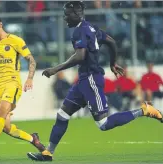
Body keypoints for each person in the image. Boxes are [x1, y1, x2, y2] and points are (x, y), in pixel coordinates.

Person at [27, 1, 163, 161]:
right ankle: (48, 152)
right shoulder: (90, 27)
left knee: (103, 124)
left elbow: (80, 55)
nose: (65, 18)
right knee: (62, 114)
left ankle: (144, 110)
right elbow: (111, 41)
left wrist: (56, 69)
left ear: (77, 14)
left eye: (67, 14)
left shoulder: (80, 31)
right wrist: (113, 62)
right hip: (83, 80)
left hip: (91, 79)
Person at [0, 15, 45, 156]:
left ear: (0, 24)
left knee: (2, 110)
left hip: (12, 83)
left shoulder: (15, 40)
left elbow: (32, 61)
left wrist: (29, 78)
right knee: (6, 127)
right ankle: (33, 139)